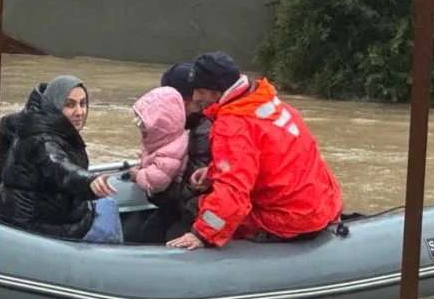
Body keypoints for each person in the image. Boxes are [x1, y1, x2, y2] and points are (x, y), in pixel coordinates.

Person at [166, 52, 343, 249]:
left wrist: (202, 234)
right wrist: (213, 172)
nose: (197, 98)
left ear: (216, 91)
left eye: (199, 91)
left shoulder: (233, 126)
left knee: (192, 209)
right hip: (321, 205)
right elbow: (265, 159)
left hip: (289, 219)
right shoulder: (267, 102)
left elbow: (233, 194)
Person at [0, 75, 122, 243]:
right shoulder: (42, 140)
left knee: (105, 204)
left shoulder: (28, 122)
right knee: (108, 212)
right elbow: (59, 165)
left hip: (41, 213)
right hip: (41, 227)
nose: (79, 112)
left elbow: (5, 130)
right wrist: (88, 181)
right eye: (69, 105)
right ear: (54, 105)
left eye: (83, 104)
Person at [123, 63, 214, 243]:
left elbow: (188, 192)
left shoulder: (202, 133)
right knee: (145, 231)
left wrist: (149, 183)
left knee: (161, 234)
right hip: (182, 205)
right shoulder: (176, 130)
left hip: (195, 210)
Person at [129, 86, 190, 196]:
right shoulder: (164, 140)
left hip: (170, 201)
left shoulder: (172, 151)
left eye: (142, 122)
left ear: (160, 125)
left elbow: (155, 182)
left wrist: (137, 175)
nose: (139, 126)